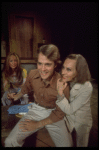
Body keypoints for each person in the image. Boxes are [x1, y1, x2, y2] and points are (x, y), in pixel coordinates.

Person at [4, 44, 73, 147]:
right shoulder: (32, 73)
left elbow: (60, 113)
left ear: (55, 65)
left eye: (48, 64)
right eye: (40, 63)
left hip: (54, 114)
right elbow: (25, 88)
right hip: (36, 109)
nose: (42, 69)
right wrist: (16, 96)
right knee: (10, 142)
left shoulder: (63, 83)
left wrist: (36, 125)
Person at [56, 54, 93, 147]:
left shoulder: (87, 87)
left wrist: (60, 93)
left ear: (79, 71)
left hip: (81, 122)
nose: (63, 72)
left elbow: (70, 109)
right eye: (63, 68)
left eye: (68, 69)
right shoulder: (66, 80)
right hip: (69, 121)